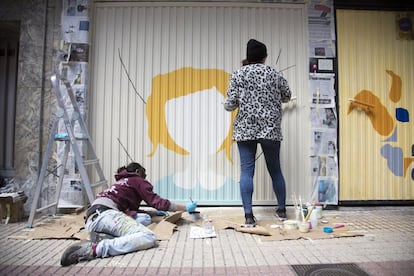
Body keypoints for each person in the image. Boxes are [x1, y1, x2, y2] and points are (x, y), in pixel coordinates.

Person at [60, 162, 197, 266]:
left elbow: (129, 212)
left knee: (144, 217)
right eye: (144, 175)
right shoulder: (137, 180)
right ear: (138, 171)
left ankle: (104, 236)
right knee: (147, 236)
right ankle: (96, 249)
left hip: (93, 219)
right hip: (106, 215)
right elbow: (158, 202)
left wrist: (154, 212)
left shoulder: (121, 182)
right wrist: (185, 208)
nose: (145, 179)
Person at [223, 39, 291, 226]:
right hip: (271, 129)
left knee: (246, 172)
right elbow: (287, 96)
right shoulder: (273, 74)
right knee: (275, 170)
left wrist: (228, 102)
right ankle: (282, 211)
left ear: (248, 56)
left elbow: (230, 105)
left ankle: (248, 216)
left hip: (246, 129)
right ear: (264, 56)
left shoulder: (238, 74)